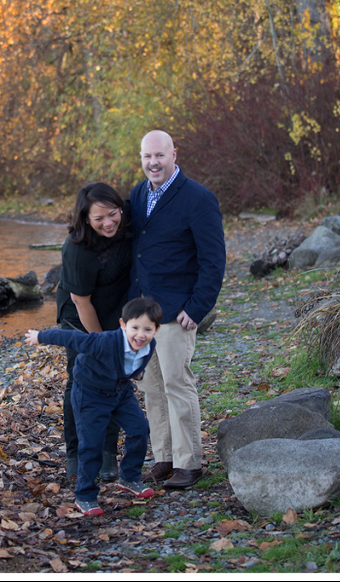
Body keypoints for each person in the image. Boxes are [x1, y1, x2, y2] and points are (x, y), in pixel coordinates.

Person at [129, 130, 226, 490]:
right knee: (151, 389)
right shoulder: (139, 195)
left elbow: (213, 260)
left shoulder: (198, 198)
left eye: (159, 155)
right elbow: (135, 253)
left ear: (174, 154)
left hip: (176, 313)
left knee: (177, 384)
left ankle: (189, 463)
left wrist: (198, 307)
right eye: (146, 156)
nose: (152, 163)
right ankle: (164, 457)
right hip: (143, 315)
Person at [25, 297, 162, 515]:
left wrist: (136, 372)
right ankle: (85, 495)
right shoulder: (105, 342)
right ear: (123, 324)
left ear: (157, 329)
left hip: (120, 390)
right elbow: (71, 337)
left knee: (140, 429)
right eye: (135, 328)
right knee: (92, 443)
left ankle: (130, 477)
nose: (140, 335)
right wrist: (40, 336)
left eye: (147, 329)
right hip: (91, 393)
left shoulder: (149, 344)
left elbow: (136, 362)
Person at [55, 183, 132, 482]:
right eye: (99, 218)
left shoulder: (127, 223)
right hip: (79, 316)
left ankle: (107, 453)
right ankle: (76, 453)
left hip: (116, 310)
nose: (108, 222)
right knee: (82, 379)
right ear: (86, 219)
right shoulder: (77, 249)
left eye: (112, 214)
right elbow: (81, 301)